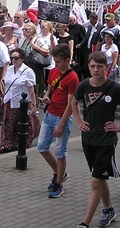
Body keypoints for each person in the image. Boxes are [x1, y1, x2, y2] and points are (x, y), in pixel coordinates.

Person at [71, 51, 120, 228]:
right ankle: (109, 210)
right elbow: (74, 102)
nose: (95, 70)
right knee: (99, 178)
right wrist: (79, 121)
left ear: (105, 68)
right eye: (92, 66)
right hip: (88, 138)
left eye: (99, 67)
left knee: (95, 181)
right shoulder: (84, 85)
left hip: (106, 140)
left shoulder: (114, 88)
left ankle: (84, 222)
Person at [39, 44, 79, 199]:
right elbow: (50, 86)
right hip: (50, 113)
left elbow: (71, 104)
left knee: (60, 152)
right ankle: (59, 173)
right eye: (55, 61)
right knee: (42, 147)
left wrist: (62, 124)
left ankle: (59, 183)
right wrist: (47, 95)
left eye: (59, 62)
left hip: (62, 117)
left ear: (67, 60)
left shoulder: (72, 77)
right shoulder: (54, 71)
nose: (56, 65)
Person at [0, 48, 36, 153]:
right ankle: (6, 144)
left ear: (22, 59)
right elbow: (5, 83)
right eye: (12, 58)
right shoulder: (9, 69)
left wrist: (33, 104)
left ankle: (24, 142)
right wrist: (3, 95)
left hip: (22, 102)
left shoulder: (28, 71)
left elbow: (31, 90)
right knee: (7, 122)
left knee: (23, 123)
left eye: (16, 58)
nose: (14, 60)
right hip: (9, 100)